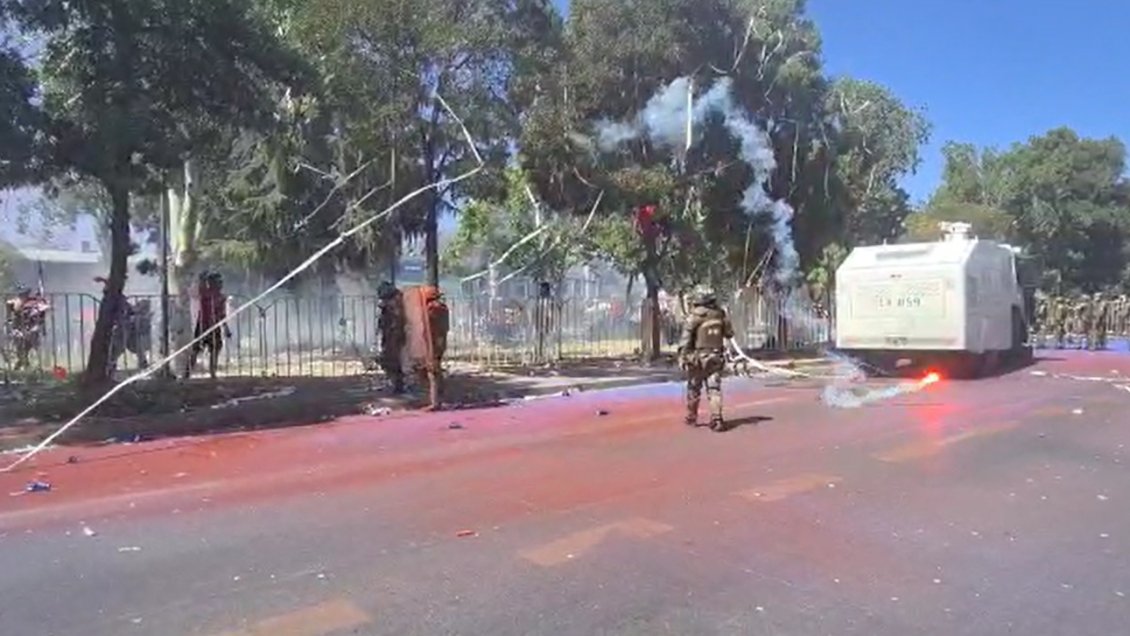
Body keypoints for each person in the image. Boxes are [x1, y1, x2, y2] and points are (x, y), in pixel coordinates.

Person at [677, 287, 734, 431]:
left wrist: (682, 357)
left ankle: (691, 417)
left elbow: (685, 340)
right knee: (714, 388)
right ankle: (717, 418)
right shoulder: (720, 314)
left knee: (694, 388)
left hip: (696, 359)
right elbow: (729, 333)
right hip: (715, 357)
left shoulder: (694, 316)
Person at [188, 271, 230, 379]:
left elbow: (222, 314)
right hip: (203, 324)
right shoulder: (205, 293)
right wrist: (203, 277)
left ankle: (212, 372)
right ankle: (187, 373)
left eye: (221, 282)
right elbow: (199, 286)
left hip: (215, 326)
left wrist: (225, 328)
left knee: (215, 348)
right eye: (218, 282)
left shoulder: (221, 297)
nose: (221, 284)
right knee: (196, 349)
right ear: (211, 283)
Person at [420, 285, 449, 410]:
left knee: (433, 372)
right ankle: (438, 400)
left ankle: (435, 402)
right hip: (439, 342)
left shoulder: (432, 308)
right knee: (435, 371)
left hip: (433, 343)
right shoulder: (443, 308)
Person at [376, 281, 406, 393]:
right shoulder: (390, 304)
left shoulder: (397, 303)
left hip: (394, 334)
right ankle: (394, 382)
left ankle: (397, 384)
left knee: (393, 360)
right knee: (388, 359)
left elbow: (398, 320)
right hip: (389, 334)